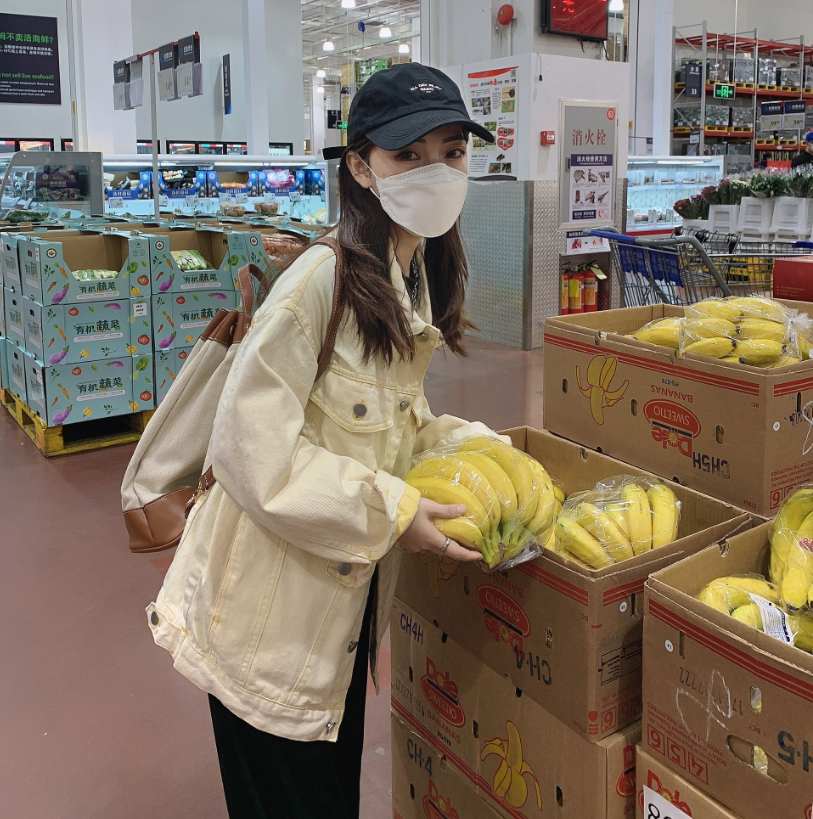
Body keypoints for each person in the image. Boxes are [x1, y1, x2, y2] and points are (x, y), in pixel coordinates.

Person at [146, 62, 504, 819]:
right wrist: (394, 512)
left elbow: (391, 422)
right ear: (360, 167)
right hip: (264, 626)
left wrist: (482, 449)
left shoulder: (408, 272)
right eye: (407, 154)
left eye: (451, 152)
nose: (435, 172)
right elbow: (253, 454)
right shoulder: (317, 282)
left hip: (331, 622)